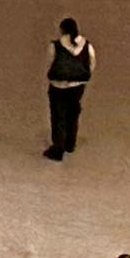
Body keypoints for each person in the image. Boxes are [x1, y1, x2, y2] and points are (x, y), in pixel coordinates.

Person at [43, 17, 93, 159]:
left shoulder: (56, 45)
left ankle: (58, 147)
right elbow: (91, 63)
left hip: (58, 86)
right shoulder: (86, 45)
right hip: (77, 87)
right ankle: (70, 143)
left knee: (58, 115)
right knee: (73, 112)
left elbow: (50, 63)